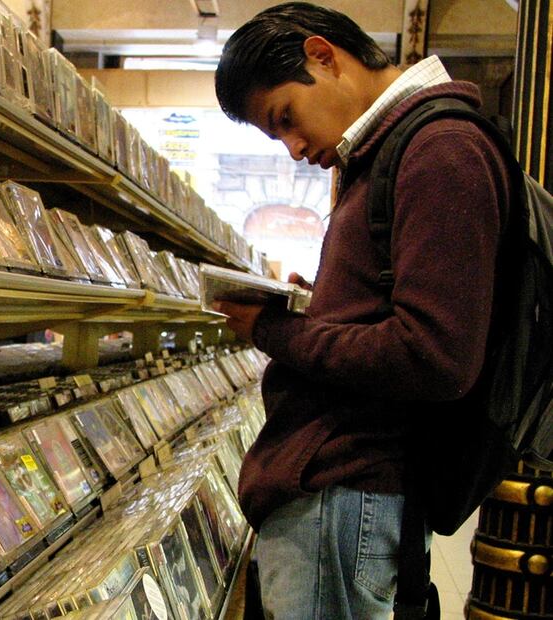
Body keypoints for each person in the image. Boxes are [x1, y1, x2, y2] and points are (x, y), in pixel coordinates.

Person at [213, 3, 513, 618]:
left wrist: (274, 329)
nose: (295, 148)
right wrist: (317, 303)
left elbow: (434, 355)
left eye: (286, 118)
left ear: (323, 56)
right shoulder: (397, 150)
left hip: (345, 496)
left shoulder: (441, 149)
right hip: (341, 498)